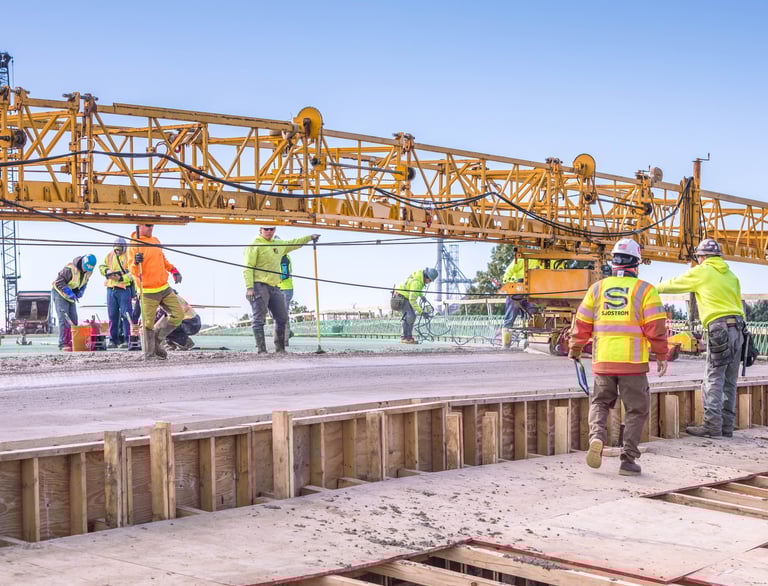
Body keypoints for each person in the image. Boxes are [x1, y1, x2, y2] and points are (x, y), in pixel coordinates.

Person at [568, 238, 668, 476]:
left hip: (603, 362)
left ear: (613, 262)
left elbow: (581, 323)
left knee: (600, 403)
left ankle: (597, 438)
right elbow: (656, 327)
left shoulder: (597, 289)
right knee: (636, 409)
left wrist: (575, 348)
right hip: (632, 364)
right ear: (637, 263)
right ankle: (628, 460)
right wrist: (661, 354)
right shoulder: (645, 290)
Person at [656, 238, 744, 438]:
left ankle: (712, 426)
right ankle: (726, 427)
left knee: (714, 378)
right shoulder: (731, 275)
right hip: (738, 328)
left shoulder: (702, 271)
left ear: (701, 257)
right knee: (730, 379)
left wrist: (651, 288)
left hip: (719, 328)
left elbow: (674, 285)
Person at [243, 227, 319, 353]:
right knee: (259, 318)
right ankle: (262, 350)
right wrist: (249, 287)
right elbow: (247, 267)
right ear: (260, 230)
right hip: (259, 285)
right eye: (266, 229)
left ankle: (280, 349)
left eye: (272, 229)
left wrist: (310, 238)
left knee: (282, 317)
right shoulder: (254, 245)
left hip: (275, 286)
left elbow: (294, 243)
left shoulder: (278, 244)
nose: (269, 232)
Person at [126, 224, 184, 360]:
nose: (151, 228)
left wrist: (173, 270)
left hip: (164, 287)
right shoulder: (134, 245)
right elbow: (132, 270)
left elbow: (162, 259)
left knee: (178, 315)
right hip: (147, 291)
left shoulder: (156, 240)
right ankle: (149, 355)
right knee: (147, 325)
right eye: (148, 225)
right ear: (139, 226)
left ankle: (156, 340)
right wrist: (135, 262)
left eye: (152, 225)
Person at [51, 254, 96, 350]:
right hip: (60, 293)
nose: (86, 270)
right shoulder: (70, 269)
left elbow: (85, 282)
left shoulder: (89, 271)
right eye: (85, 268)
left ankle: (72, 341)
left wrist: (81, 291)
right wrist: (68, 292)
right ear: (83, 263)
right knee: (64, 319)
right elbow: (59, 282)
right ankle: (63, 343)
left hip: (71, 295)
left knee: (73, 320)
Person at [99, 237, 135, 348]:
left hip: (124, 289)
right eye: (116, 249)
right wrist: (107, 271)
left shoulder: (130, 256)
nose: (117, 251)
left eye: (119, 249)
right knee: (112, 315)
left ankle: (127, 340)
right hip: (111, 289)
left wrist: (121, 278)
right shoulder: (110, 255)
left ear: (124, 248)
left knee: (126, 315)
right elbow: (102, 266)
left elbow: (133, 273)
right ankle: (113, 340)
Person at [391, 267, 438, 344]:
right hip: (401, 298)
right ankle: (404, 337)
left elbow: (415, 290)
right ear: (427, 277)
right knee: (410, 316)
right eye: (430, 280)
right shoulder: (417, 283)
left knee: (411, 316)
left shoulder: (418, 277)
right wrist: (421, 312)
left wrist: (421, 296)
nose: (429, 282)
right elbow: (412, 300)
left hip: (401, 296)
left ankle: (408, 337)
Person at [501, 257, 541, 335]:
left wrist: (506, 282)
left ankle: (508, 342)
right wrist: (507, 282)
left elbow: (509, 270)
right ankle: (508, 341)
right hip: (518, 289)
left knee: (531, 317)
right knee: (531, 316)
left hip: (529, 290)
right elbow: (510, 270)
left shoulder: (540, 261)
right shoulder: (523, 259)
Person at [277, 251, 294, 346]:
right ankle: (288, 332)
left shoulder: (283, 257)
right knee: (274, 314)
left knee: (282, 314)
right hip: (277, 288)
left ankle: (284, 339)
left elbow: (284, 274)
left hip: (285, 289)